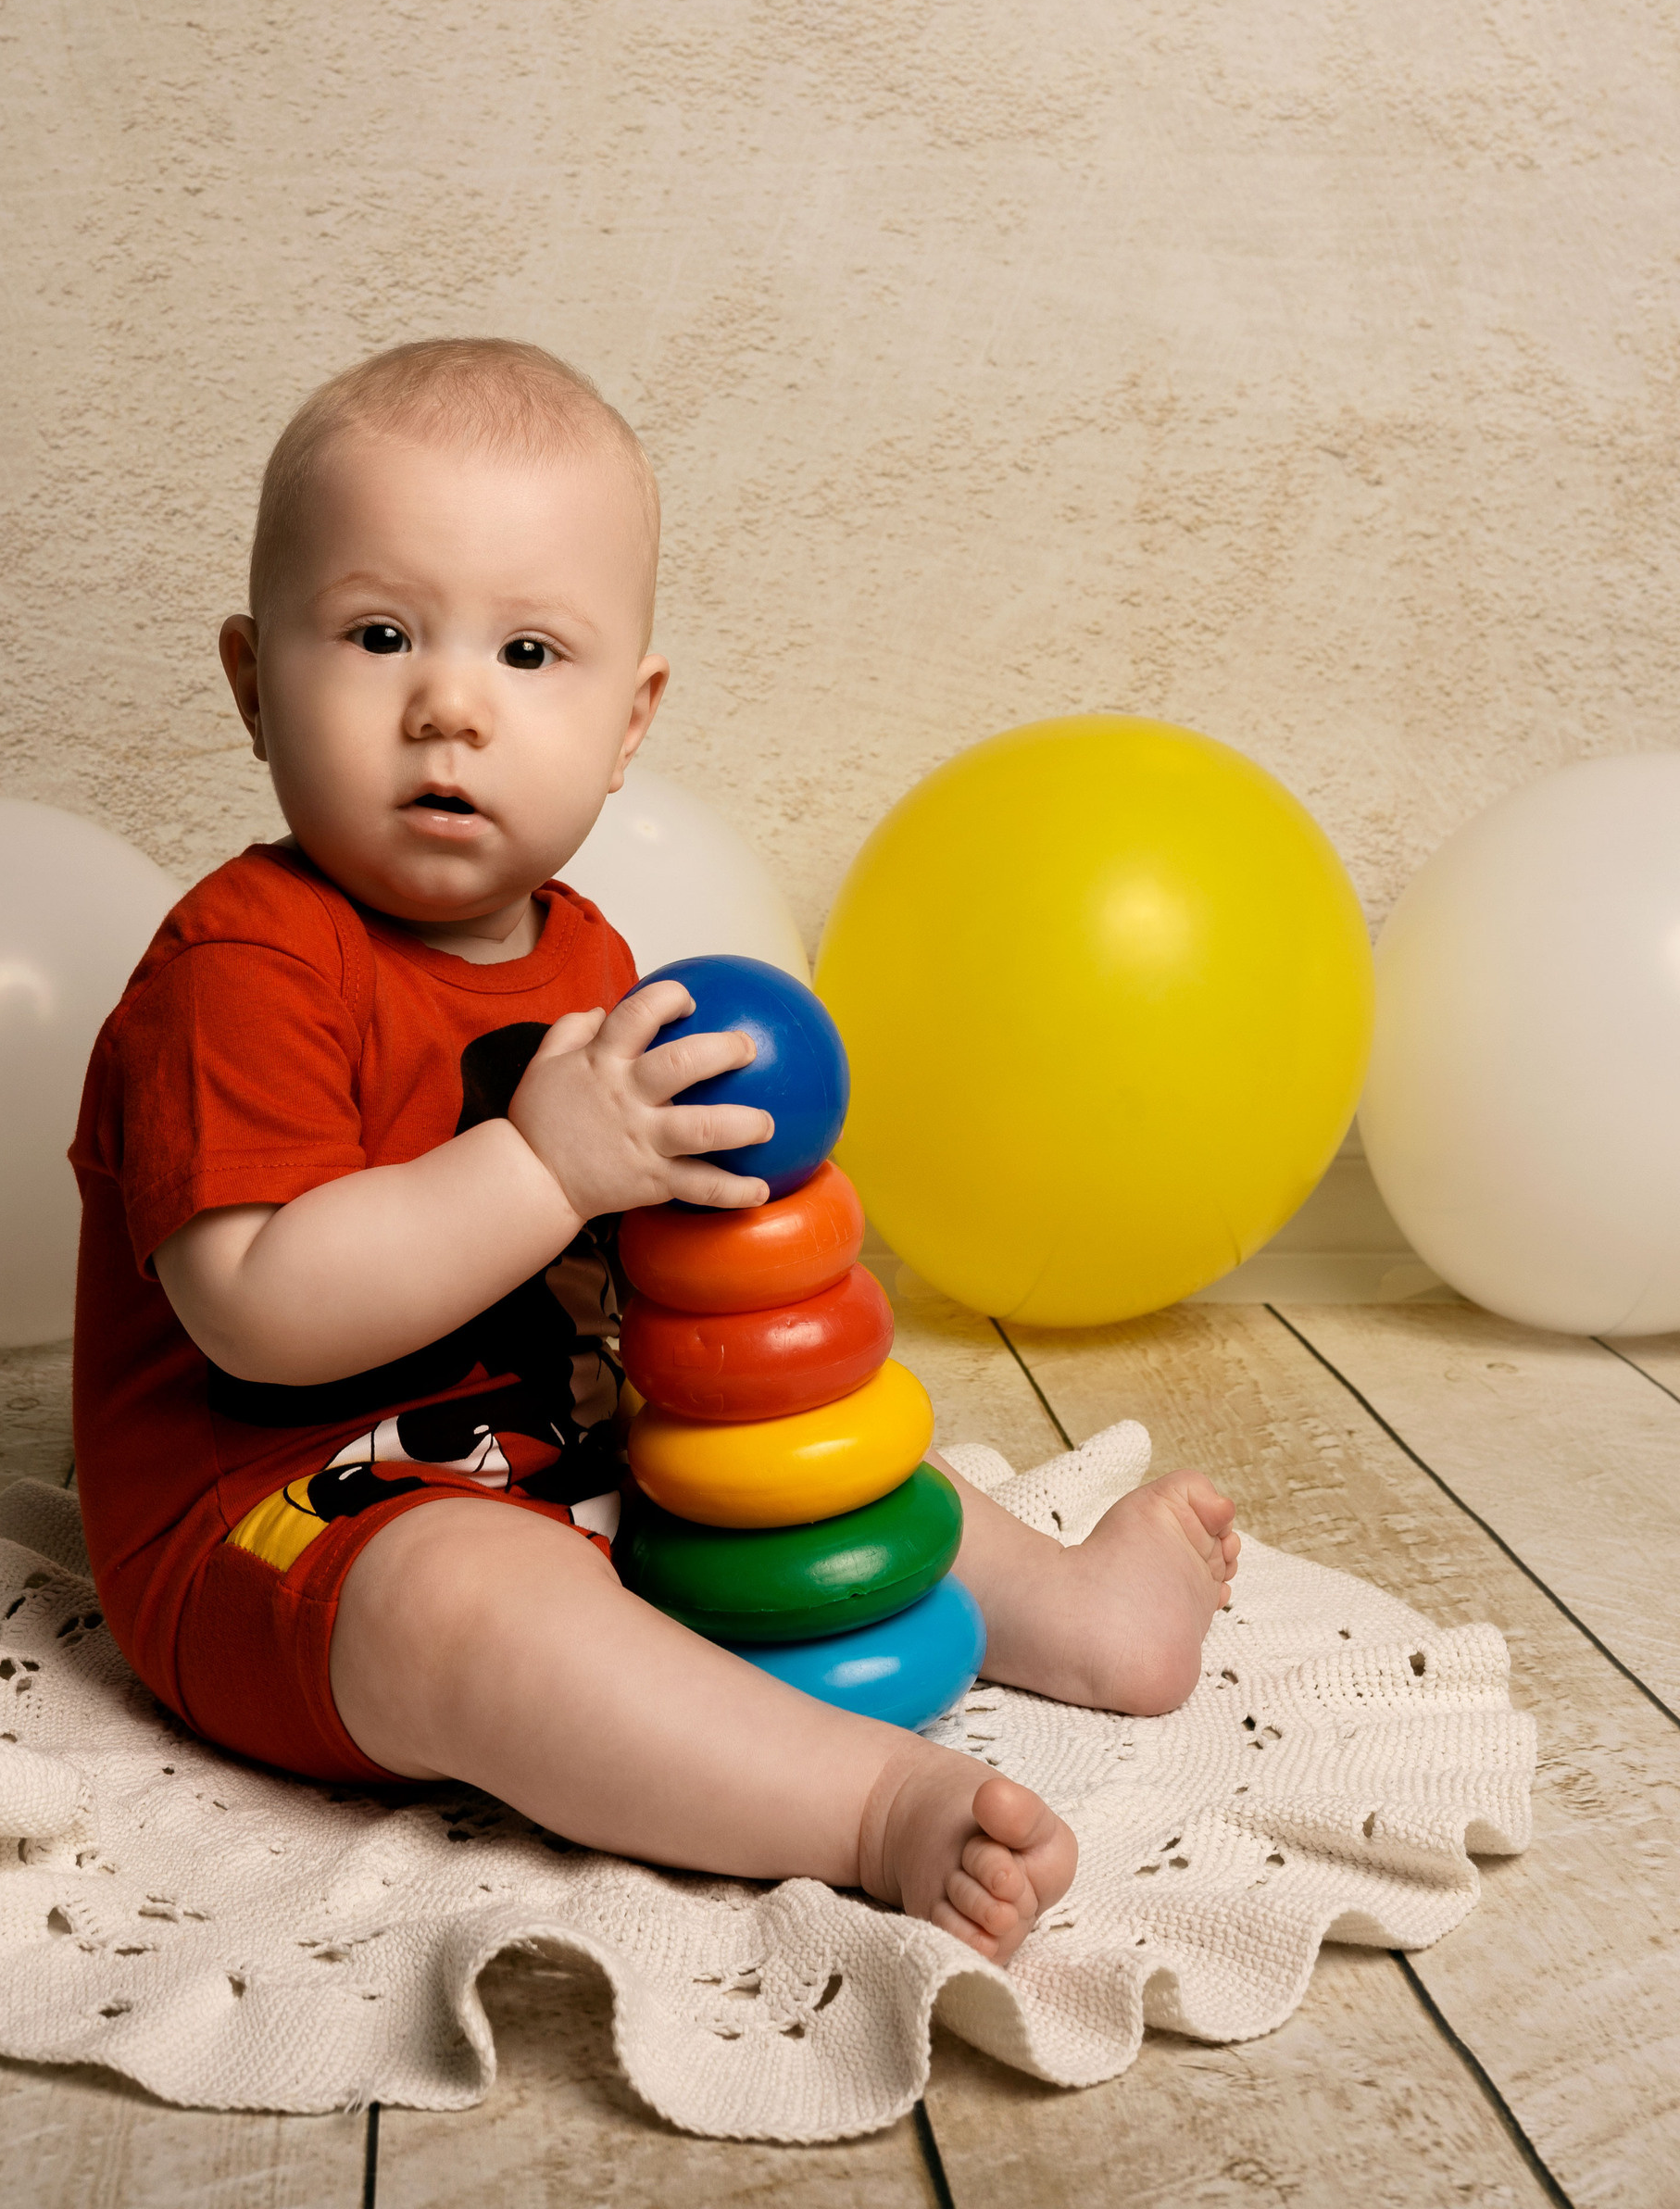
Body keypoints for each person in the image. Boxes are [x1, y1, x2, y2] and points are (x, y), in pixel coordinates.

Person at [70, 338, 1241, 1962]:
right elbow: (255, 1308)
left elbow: (650, 1281)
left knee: (829, 1468)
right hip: (281, 1528)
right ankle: (860, 1808)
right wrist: (549, 1169)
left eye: (531, 650)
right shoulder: (246, 966)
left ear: (631, 723)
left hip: (561, 1443)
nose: (451, 704)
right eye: (379, 633)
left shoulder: (592, 955)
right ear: (253, 678)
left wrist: (734, 1300)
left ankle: (1086, 1621)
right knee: (471, 1609)